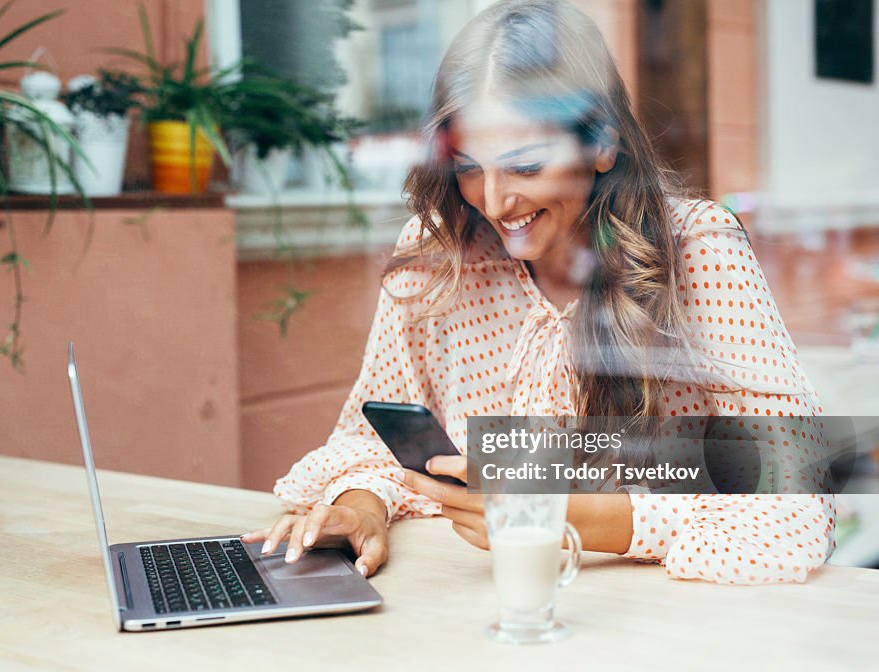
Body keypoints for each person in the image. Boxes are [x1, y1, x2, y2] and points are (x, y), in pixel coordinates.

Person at [242, 0, 835, 585]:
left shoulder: (698, 250)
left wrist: (561, 518)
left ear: (603, 144)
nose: (495, 203)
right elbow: (372, 444)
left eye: (525, 166)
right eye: (470, 168)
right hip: (474, 612)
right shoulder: (439, 256)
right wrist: (362, 508)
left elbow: (796, 493)